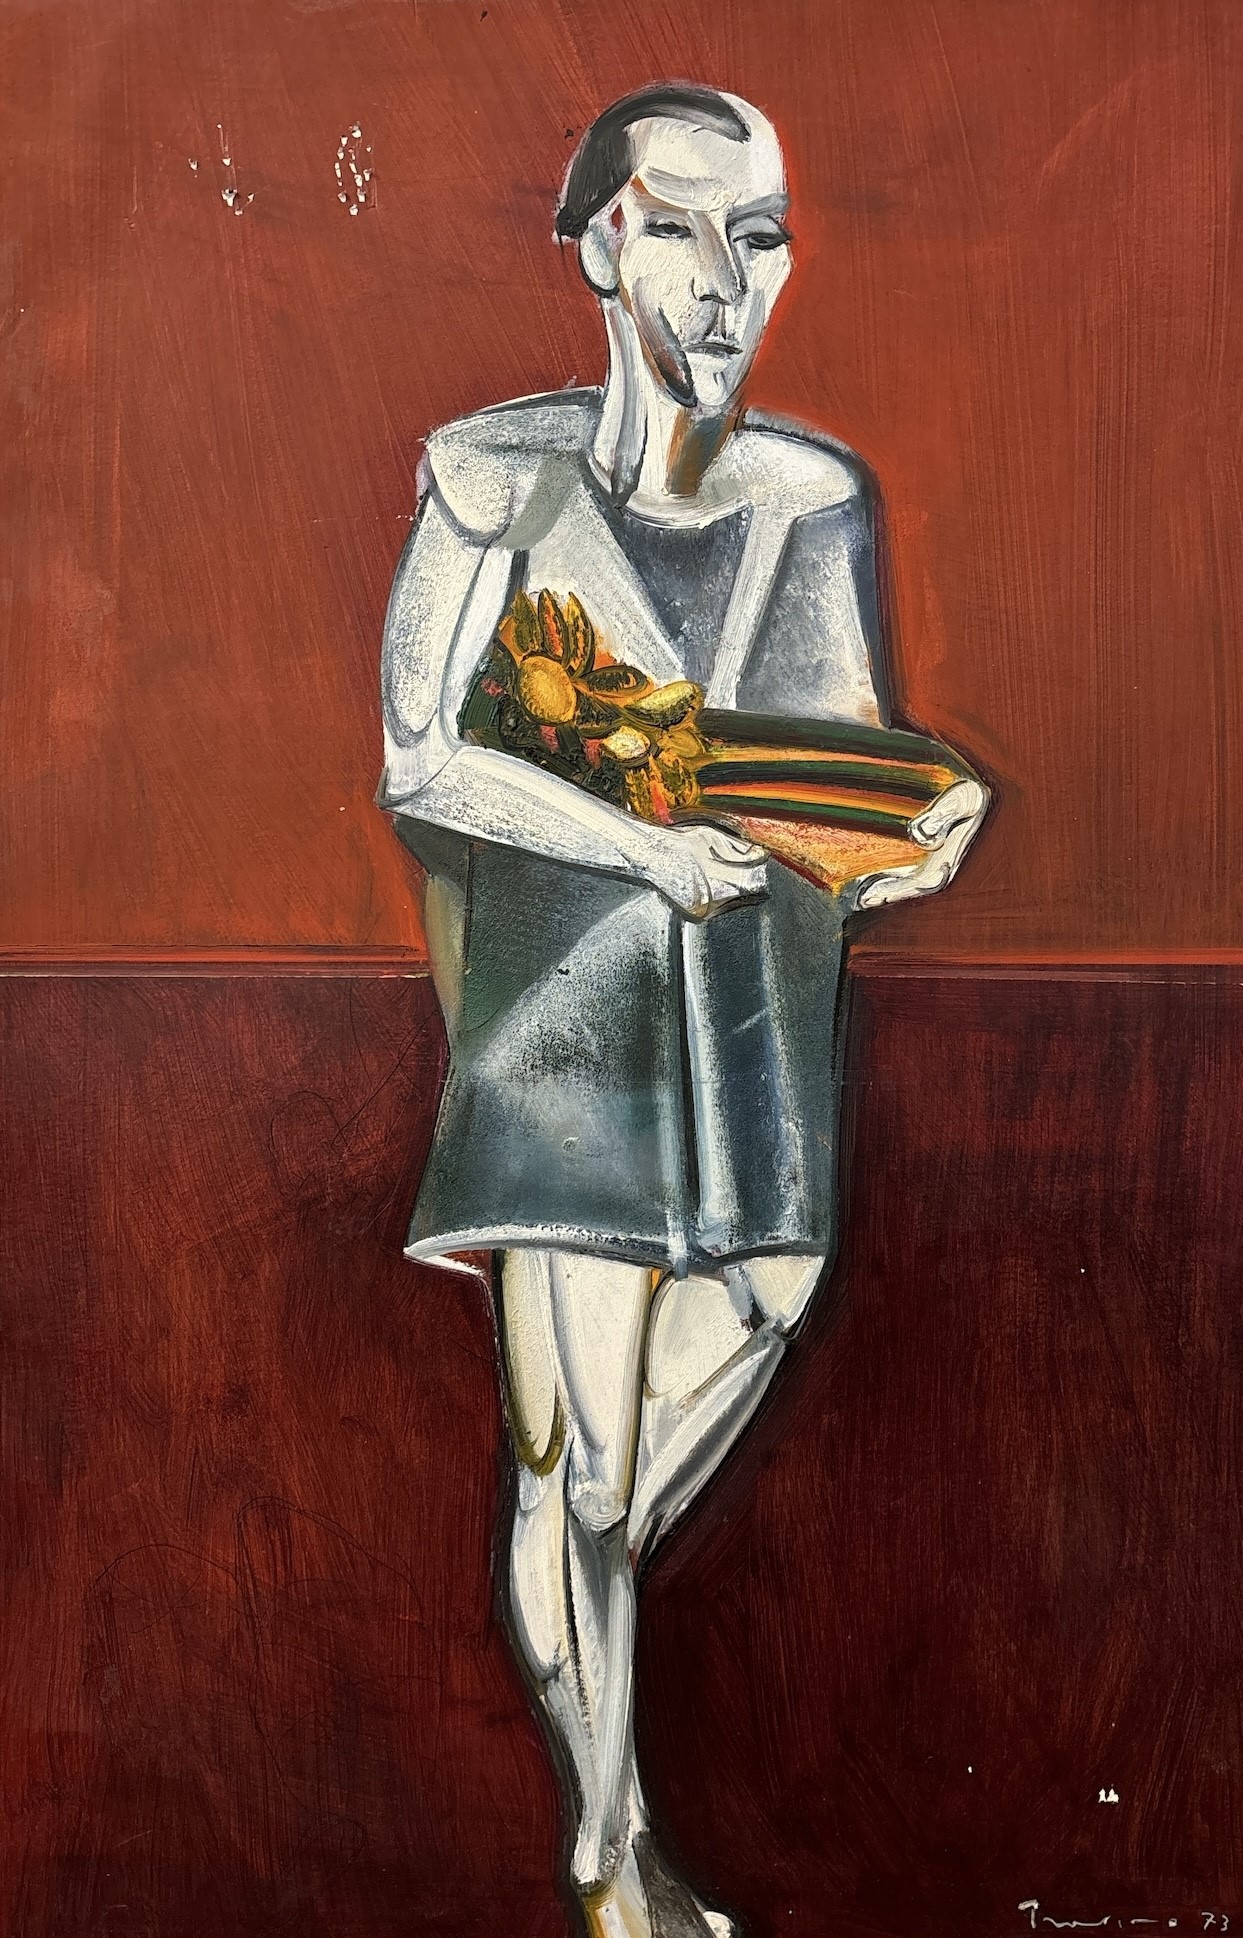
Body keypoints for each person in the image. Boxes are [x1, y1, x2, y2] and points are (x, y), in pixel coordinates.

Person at [378, 83, 988, 1938]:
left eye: (760, 233)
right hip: (564, 1030)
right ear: (600, 245)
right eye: (679, 225)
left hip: (754, 1029)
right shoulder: (488, 476)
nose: (726, 275)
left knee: (697, 1383)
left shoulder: (813, 500)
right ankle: (609, 1859)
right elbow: (421, 755)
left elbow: (822, 772)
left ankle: (587, 1675)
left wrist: (913, 825)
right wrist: (638, 847)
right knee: (581, 1471)